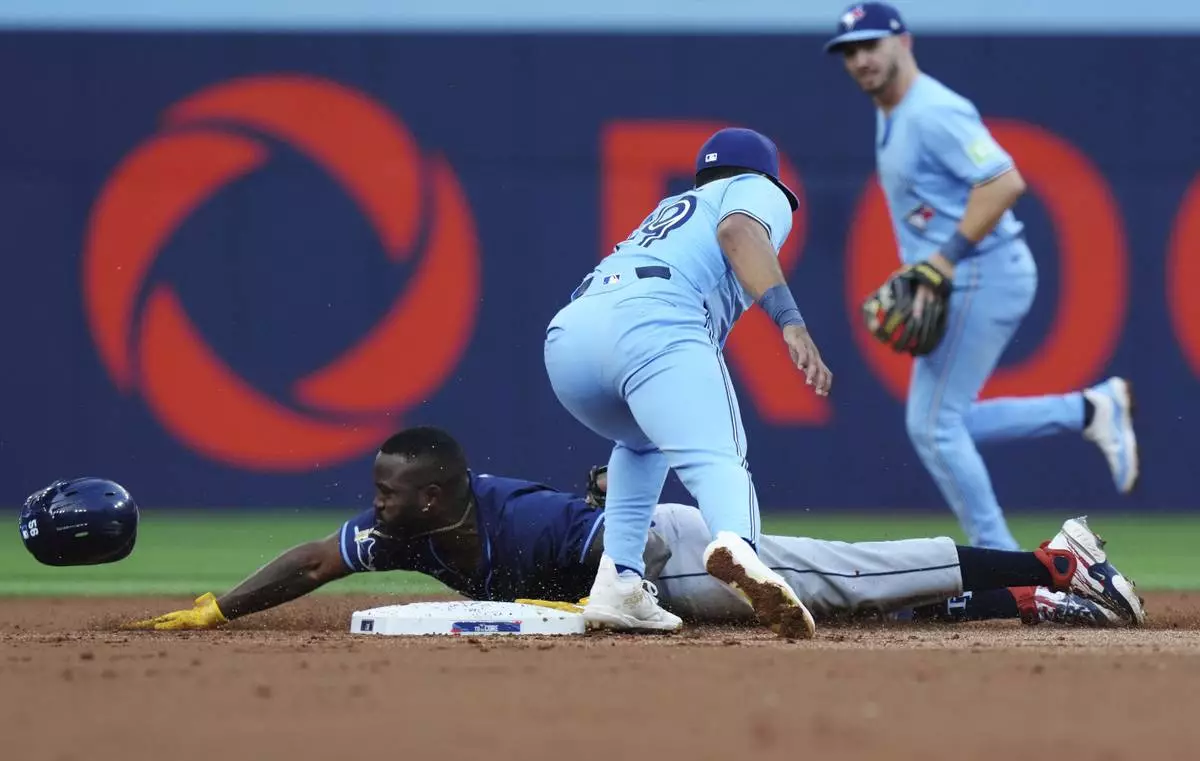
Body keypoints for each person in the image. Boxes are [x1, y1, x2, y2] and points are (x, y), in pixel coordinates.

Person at [118, 427, 1146, 632]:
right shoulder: (410, 536)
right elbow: (311, 560)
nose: (373, 506)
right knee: (844, 607)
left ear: (437, 496)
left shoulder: (516, 522)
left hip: (661, 544)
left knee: (839, 571)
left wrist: (624, 485)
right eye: (377, 493)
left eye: (390, 493)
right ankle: (1024, 594)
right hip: (643, 592)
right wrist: (219, 608)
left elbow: (622, 537)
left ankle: (1061, 557)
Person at [824, 3, 1139, 552]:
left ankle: (1001, 559)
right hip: (966, 273)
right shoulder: (893, 109)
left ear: (906, 42)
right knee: (946, 422)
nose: (861, 59)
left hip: (978, 273)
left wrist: (942, 260)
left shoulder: (932, 111)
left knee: (933, 426)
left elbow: (1004, 182)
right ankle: (1090, 409)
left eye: (873, 44)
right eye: (850, 51)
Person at [542, 127, 833, 637]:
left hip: (570, 338)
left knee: (640, 442)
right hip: (655, 323)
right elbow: (740, 231)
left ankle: (619, 582)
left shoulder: (675, 207)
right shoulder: (753, 188)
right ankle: (737, 545)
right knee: (720, 455)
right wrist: (789, 319)